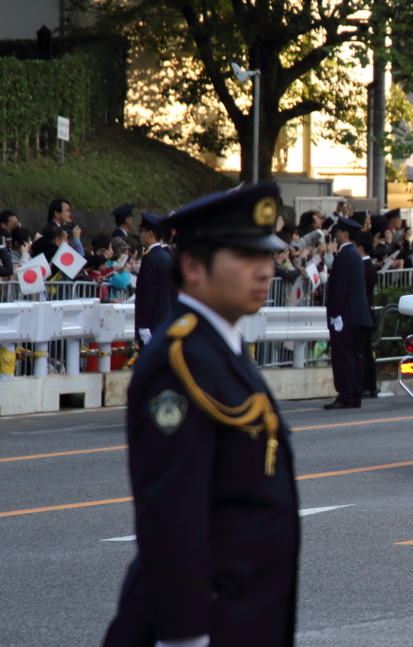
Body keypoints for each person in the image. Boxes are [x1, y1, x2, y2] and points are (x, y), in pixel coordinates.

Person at [102, 182, 300, 647]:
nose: (265, 270)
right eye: (245, 257)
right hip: (207, 624)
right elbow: (171, 515)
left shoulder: (217, 346)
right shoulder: (180, 361)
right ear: (192, 266)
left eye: (267, 256)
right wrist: (185, 637)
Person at [324, 216, 373, 410]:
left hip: (346, 317)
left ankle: (346, 394)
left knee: (344, 356)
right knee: (356, 356)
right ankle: (354, 395)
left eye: (338, 232)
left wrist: (335, 314)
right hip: (358, 316)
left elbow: (340, 288)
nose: (335, 235)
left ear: (345, 234)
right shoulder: (355, 255)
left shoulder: (344, 255)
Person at [135, 212, 177, 349]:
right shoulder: (166, 256)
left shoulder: (150, 259)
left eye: (142, 231)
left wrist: (144, 325)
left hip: (152, 323)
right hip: (164, 319)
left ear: (150, 233)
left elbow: (147, 295)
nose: (140, 234)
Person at [355, 231, 379, 399]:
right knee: (367, 352)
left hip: (361, 314)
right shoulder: (370, 266)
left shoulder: (362, 268)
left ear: (361, 248)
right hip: (368, 313)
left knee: (362, 351)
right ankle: (371, 387)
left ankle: (364, 386)